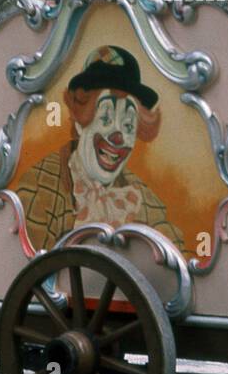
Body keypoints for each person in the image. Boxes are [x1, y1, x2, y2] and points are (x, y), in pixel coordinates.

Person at [14, 45, 185, 253]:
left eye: (129, 125)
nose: (118, 136)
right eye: (105, 117)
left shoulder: (142, 200)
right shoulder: (39, 187)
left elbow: (176, 256)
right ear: (80, 121)